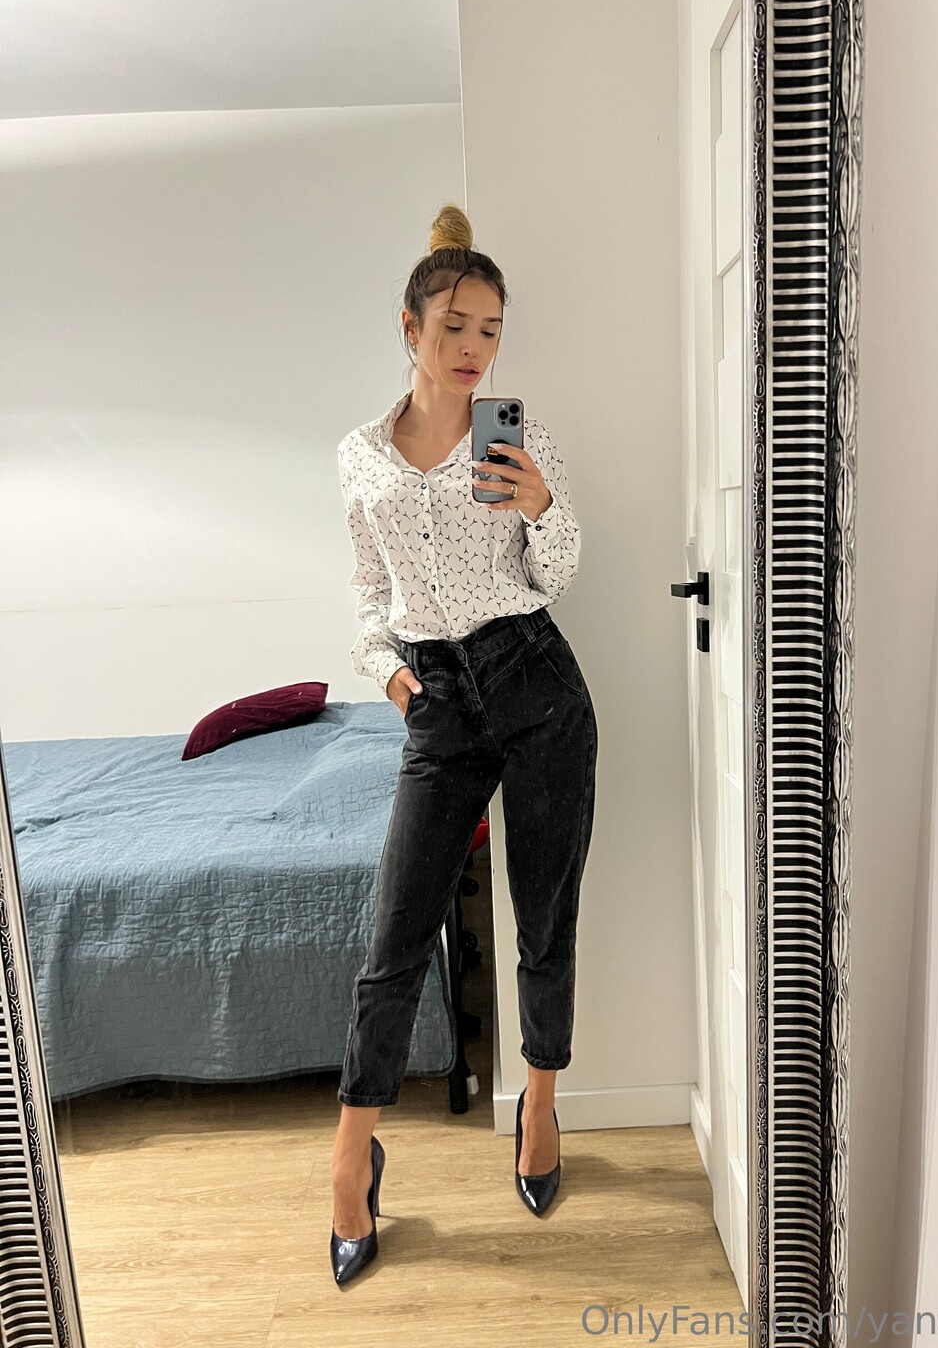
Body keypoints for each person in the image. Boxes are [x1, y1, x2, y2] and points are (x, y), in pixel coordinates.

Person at [329, 203, 598, 1287]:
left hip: (536, 686)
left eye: (490, 329)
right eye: (454, 326)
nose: (474, 347)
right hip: (437, 702)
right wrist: (393, 678)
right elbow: (367, 597)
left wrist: (542, 503)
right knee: (394, 939)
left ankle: (540, 1104)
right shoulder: (359, 458)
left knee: (545, 915)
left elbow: (556, 573)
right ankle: (350, 1158)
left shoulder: (521, 438)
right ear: (409, 328)